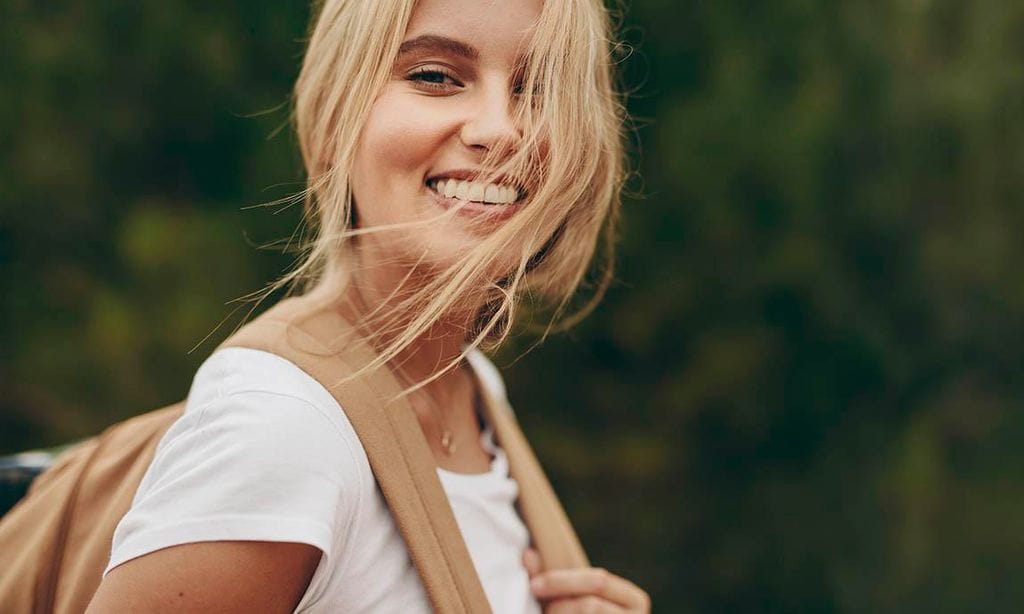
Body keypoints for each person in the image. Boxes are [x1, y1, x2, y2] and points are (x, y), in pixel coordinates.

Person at [85, 0, 650, 612]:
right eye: (435, 77)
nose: (501, 129)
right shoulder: (284, 429)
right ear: (333, 122)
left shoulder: (473, 390)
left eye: (540, 90)